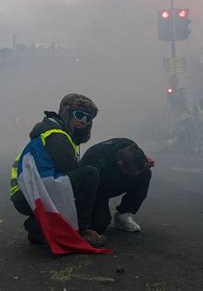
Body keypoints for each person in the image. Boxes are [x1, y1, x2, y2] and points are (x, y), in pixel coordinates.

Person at [10, 93, 108, 252]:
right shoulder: (56, 135)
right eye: (79, 115)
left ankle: (36, 228)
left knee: (80, 177)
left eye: (88, 118)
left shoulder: (52, 131)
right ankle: (82, 230)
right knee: (90, 174)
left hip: (26, 193)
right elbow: (71, 171)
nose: (83, 121)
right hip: (30, 195)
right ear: (67, 113)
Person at [80, 138, 155, 233]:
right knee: (98, 225)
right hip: (96, 189)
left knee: (145, 173)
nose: (134, 176)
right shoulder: (95, 159)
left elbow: (139, 160)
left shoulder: (130, 146)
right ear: (120, 164)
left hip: (114, 180)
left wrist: (144, 163)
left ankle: (123, 215)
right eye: (131, 173)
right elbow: (85, 190)